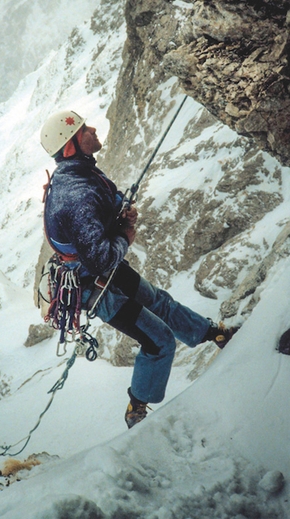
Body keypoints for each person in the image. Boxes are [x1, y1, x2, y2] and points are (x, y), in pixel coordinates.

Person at [40, 109, 238, 428]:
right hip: (95, 289)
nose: (92, 129)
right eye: (82, 129)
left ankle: (211, 333)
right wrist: (125, 236)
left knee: (158, 301)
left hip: (99, 275)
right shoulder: (75, 195)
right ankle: (137, 408)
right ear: (69, 147)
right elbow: (102, 258)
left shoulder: (79, 174)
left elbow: (105, 196)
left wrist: (120, 210)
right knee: (158, 340)